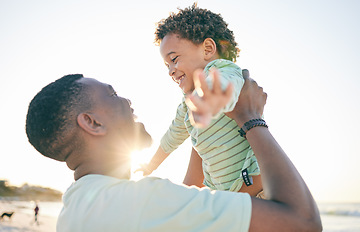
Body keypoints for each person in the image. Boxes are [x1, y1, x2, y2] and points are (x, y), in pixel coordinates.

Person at [25, 70, 322, 231]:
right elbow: (302, 222)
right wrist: (251, 118)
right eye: (112, 94)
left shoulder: (74, 210)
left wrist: (203, 129)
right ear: (92, 122)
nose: (127, 101)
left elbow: (185, 205)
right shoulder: (144, 201)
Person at [136, 4, 263, 196]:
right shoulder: (188, 103)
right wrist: (150, 166)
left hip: (254, 186)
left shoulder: (224, 70)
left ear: (208, 49)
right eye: (167, 65)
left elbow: (227, 89)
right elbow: (171, 138)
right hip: (227, 194)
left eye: (175, 59)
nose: (171, 70)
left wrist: (210, 102)